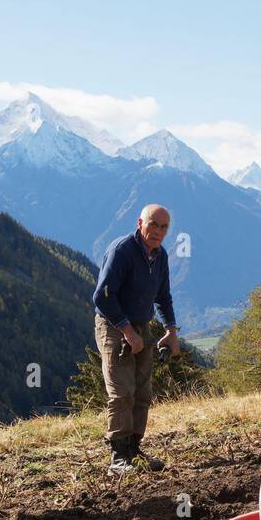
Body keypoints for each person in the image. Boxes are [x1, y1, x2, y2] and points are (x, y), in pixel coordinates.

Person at [93, 204, 181, 476]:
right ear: (140, 222)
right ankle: (118, 458)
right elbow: (103, 297)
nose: (158, 231)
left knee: (143, 393)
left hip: (143, 326)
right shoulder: (122, 251)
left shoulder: (161, 255)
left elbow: (162, 297)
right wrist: (127, 331)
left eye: (164, 227)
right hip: (114, 327)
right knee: (122, 393)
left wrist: (171, 330)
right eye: (153, 224)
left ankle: (134, 451)